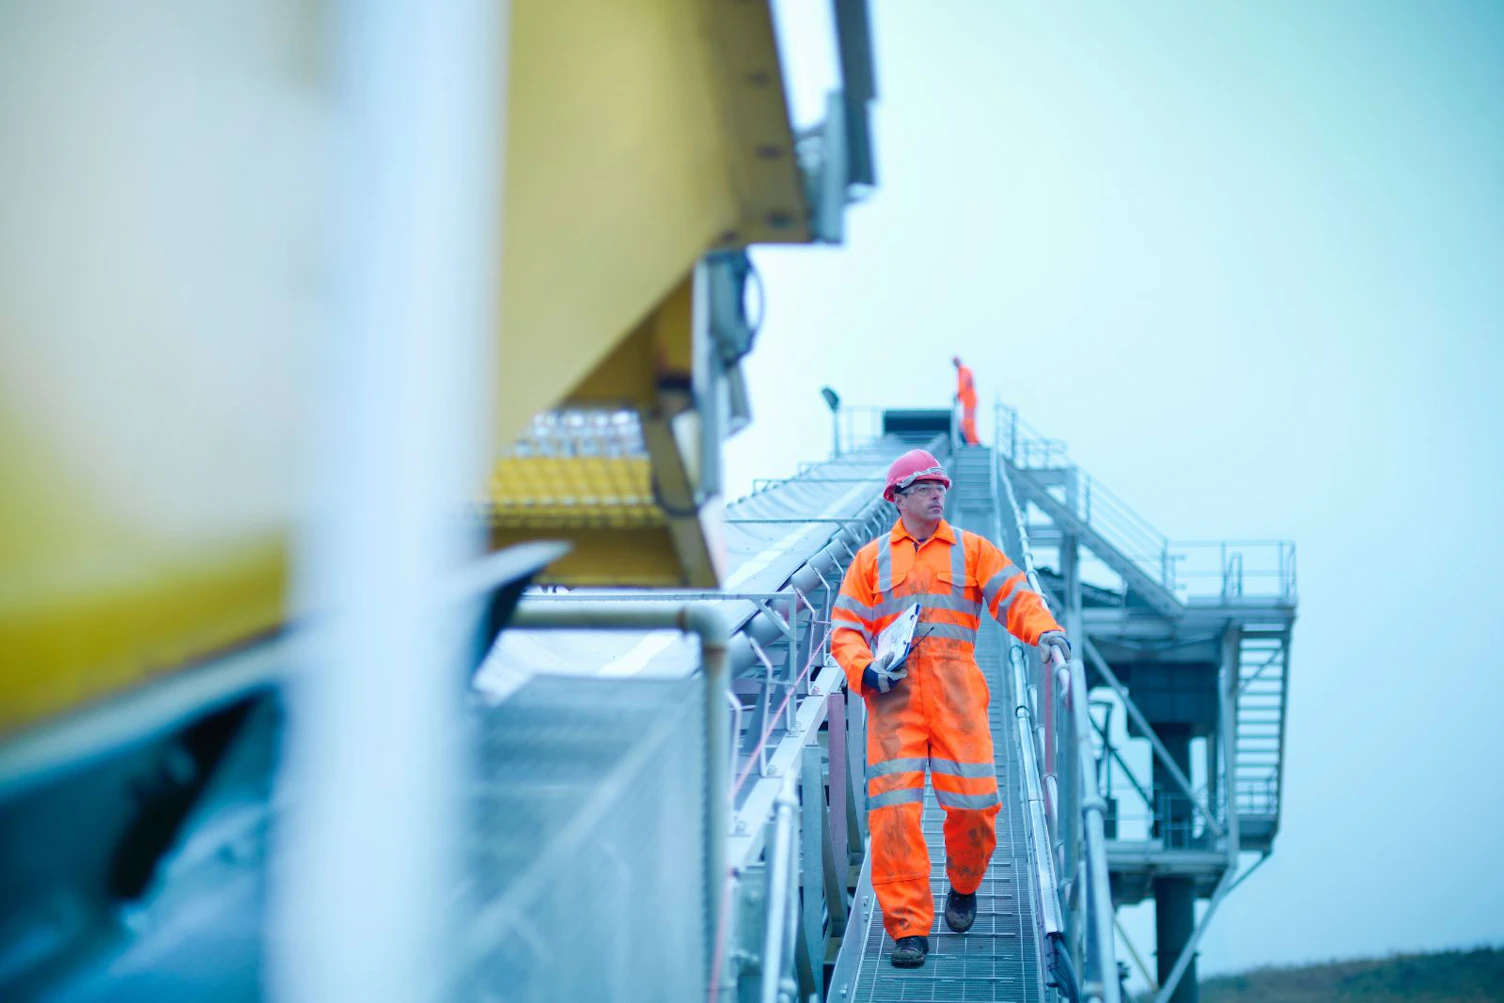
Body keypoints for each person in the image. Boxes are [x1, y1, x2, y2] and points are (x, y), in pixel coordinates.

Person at [830, 448, 1070, 968]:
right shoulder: (871, 561)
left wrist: (1045, 630)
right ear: (897, 498)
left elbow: (1015, 596)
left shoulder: (971, 550)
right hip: (893, 698)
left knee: (976, 806)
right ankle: (908, 929)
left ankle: (963, 885)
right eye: (925, 488)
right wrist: (863, 667)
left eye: (941, 486)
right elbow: (845, 629)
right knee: (893, 816)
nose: (938, 494)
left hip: (958, 691)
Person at [953, 356, 979, 445]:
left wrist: (958, 394)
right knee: (968, 420)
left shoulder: (964, 371)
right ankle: (971, 440)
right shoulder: (961, 372)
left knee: (969, 421)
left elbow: (963, 385)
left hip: (970, 399)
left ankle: (973, 441)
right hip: (967, 400)